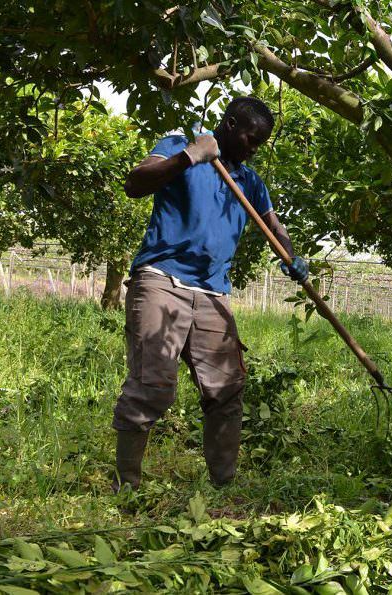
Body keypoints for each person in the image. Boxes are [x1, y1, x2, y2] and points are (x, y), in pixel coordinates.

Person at [111, 97, 310, 491]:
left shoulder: (250, 182)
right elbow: (135, 183)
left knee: (226, 390)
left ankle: (224, 487)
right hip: (161, 280)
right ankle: (125, 489)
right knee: (151, 386)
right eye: (251, 139)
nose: (254, 149)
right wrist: (190, 156)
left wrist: (291, 255)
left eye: (260, 144)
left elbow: (274, 226)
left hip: (213, 292)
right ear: (230, 124)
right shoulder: (180, 146)